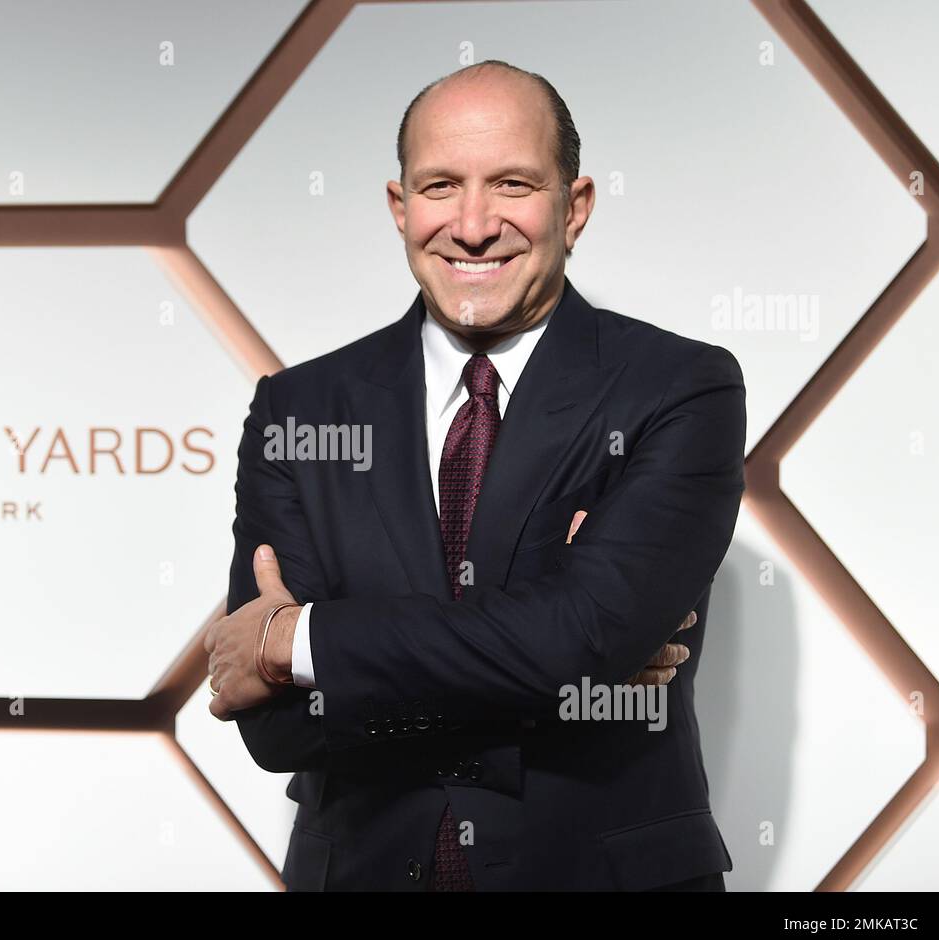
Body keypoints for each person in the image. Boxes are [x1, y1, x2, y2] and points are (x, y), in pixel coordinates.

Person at [205, 60, 745, 891]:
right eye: (439, 186)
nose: (473, 223)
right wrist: (549, 665)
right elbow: (277, 729)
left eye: (514, 184)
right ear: (399, 208)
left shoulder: (678, 387)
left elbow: (576, 642)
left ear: (576, 206)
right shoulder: (298, 408)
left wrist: (302, 641)